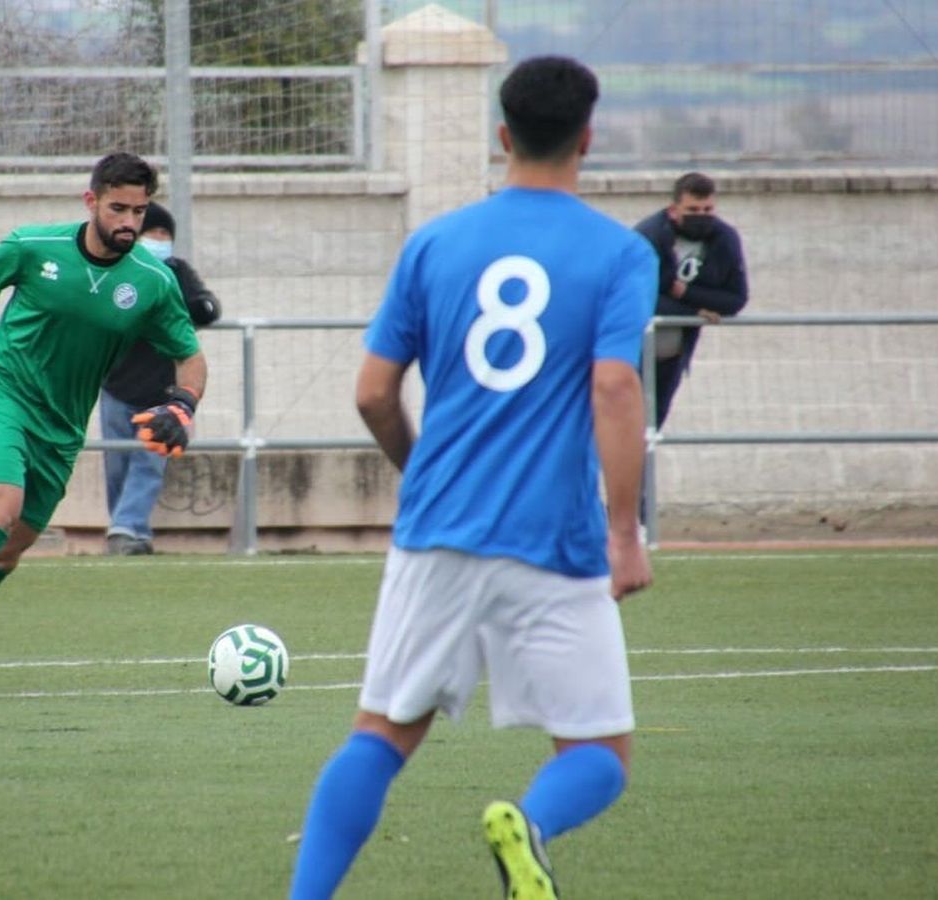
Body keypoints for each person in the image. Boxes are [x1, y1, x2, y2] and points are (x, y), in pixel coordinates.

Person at [288, 55, 654, 900]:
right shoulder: (617, 253)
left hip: (436, 531)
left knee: (380, 736)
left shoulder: (435, 243)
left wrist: (421, 472)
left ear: (502, 136)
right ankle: (529, 824)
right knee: (599, 752)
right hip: (554, 543)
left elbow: (374, 392)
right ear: (587, 139)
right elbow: (613, 384)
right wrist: (625, 532)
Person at [0, 152, 208, 701]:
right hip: (3, 393)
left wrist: (182, 406)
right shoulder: (34, 248)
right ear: (91, 202)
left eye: (139, 209)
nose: (130, 221)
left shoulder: (153, 281)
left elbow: (191, 359)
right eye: (117, 209)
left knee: (12, 548)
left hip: (61, 426)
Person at [99, 201, 221, 555]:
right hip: (116, 387)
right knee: (117, 464)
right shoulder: (118, 270)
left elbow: (207, 308)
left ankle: (126, 529)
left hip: (163, 393)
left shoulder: (176, 271)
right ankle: (126, 532)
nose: (158, 239)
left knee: (149, 461)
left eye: (164, 234)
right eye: (152, 232)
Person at [632, 171, 749, 429]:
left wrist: (683, 293)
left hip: (672, 354)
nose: (701, 216)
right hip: (631, 348)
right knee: (623, 425)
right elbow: (639, 297)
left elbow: (735, 299)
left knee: (652, 427)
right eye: (693, 209)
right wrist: (696, 310)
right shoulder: (649, 236)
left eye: (708, 209)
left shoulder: (724, 239)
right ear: (674, 210)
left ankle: (640, 470)